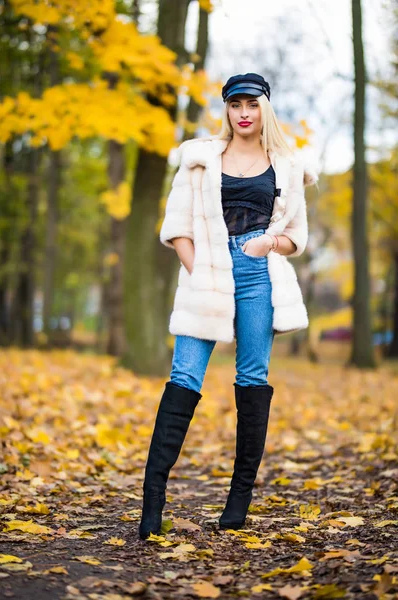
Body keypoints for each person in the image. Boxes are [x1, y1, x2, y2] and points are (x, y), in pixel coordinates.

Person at [139, 73, 318, 540]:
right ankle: (152, 504)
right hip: (208, 271)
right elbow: (177, 226)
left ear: (264, 109)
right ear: (226, 109)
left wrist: (267, 245)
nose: (244, 112)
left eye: (252, 104)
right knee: (184, 375)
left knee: (252, 379)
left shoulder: (287, 165)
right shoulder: (199, 160)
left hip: (259, 275)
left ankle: (238, 502)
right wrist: (201, 272)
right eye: (235, 104)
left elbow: (297, 235)